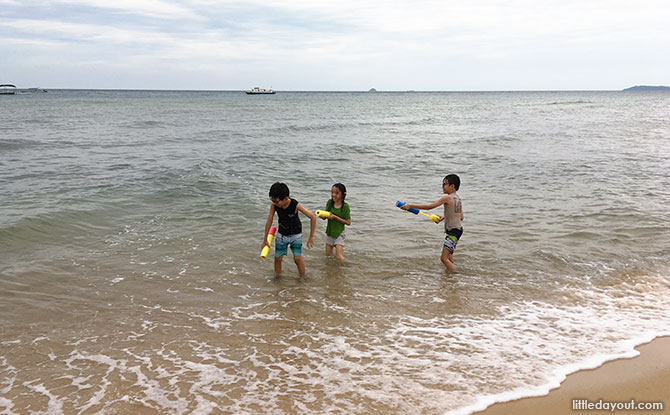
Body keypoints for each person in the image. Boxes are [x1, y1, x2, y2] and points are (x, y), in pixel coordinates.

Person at [400, 174, 464, 271]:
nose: (442, 186)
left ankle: (457, 275)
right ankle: (450, 278)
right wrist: (443, 217)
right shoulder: (458, 199)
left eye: (445, 184)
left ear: (452, 186)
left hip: (452, 232)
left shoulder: (446, 198)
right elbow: (461, 216)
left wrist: (410, 206)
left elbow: (430, 207)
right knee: (449, 256)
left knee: (444, 258)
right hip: (458, 230)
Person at [262, 182, 316, 276]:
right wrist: (265, 239)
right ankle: (278, 277)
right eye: (273, 201)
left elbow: (312, 217)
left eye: (277, 201)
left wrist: (311, 237)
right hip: (282, 234)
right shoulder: (274, 205)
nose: (275, 203)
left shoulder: (295, 205)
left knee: (297, 259)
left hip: (296, 234)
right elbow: (269, 221)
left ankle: (303, 278)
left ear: (286, 198)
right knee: (278, 258)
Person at [320, 183, 351, 261]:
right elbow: (325, 216)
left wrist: (335, 217)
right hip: (330, 233)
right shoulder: (330, 203)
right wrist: (322, 216)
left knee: (338, 257)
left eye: (336, 193)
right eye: (332, 192)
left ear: (343, 194)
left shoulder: (345, 206)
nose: (333, 195)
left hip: (339, 233)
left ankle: (351, 266)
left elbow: (348, 222)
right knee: (328, 257)